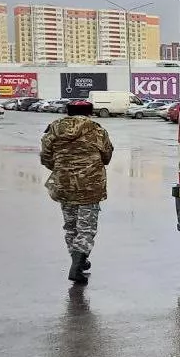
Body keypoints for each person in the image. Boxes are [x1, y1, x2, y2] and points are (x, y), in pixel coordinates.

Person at [40, 100, 114, 284]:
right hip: (90, 185)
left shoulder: (53, 131)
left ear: (68, 112)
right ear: (90, 112)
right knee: (86, 227)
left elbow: (46, 158)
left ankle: (79, 260)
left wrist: (62, 167)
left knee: (71, 226)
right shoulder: (97, 131)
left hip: (64, 184)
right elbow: (106, 156)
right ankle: (77, 265)